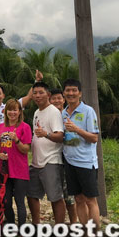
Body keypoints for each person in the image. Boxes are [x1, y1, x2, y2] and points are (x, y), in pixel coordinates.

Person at [61, 79, 101, 237]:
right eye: (68, 91)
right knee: (78, 200)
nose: (71, 93)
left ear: (80, 93)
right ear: (64, 94)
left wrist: (76, 129)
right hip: (69, 162)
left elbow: (94, 138)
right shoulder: (63, 113)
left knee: (91, 200)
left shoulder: (88, 111)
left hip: (86, 162)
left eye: (74, 90)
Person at [0, 99, 32, 237]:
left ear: (20, 112)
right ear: (6, 112)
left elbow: (26, 149)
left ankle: (21, 235)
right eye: (10, 110)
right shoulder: (1, 127)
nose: (12, 113)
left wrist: (16, 140)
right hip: (4, 170)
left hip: (20, 170)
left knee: (20, 202)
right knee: (6, 201)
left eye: (15, 110)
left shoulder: (25, 127)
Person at [0, 83, 34, 201]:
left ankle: (4, 215)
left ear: (3, 95)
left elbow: (28, 97)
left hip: (9, 155)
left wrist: (36, 82)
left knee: (6, 188)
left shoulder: (10, 107)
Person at [27, 81, 66, 225]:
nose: (37, 96)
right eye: (35, 93)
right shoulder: (37, 112)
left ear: (48, 95)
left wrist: (46, 134)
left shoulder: (54, 112)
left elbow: (60, 136)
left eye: (41, 93)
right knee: (31, 194)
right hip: (36, 161)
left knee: (55, 197)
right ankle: (36, 225)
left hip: (51, 160)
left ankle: (59, 228)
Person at [50, 88, 78, 224]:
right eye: (53, 98)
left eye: (59, 98)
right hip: (53, 157)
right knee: (55, 193)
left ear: (63, 99)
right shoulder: (49, 115)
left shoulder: (68, 115)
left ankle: (74, 223)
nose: (56, 101)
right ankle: (59, 223)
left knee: (69, 195)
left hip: (68, 157)